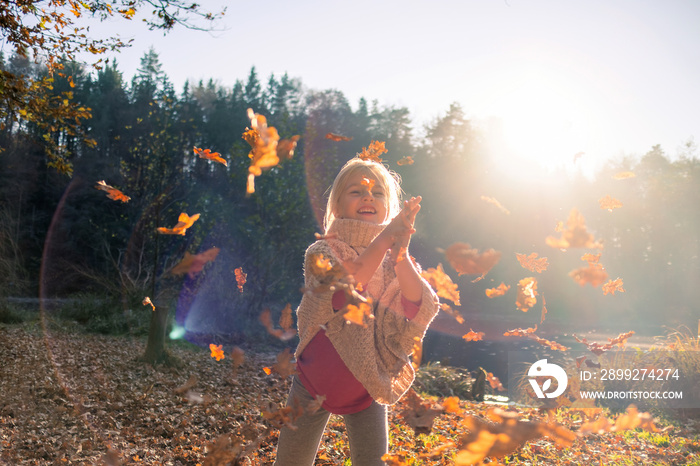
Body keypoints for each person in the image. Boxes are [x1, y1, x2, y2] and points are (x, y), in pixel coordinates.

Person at [273, 157, 439, 465]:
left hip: (367, 384)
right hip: (313, 382)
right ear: (336, 205)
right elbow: (343, 292)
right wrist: (387, 237)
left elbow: (418, 305)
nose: (368, 197)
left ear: (388, 208)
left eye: (377, 193)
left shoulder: (394, 260)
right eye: (356, 191)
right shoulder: (323, 251)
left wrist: (399, 251)